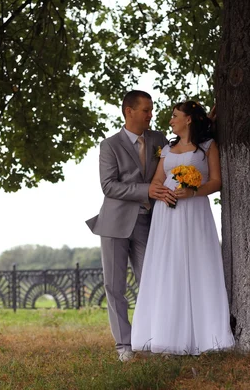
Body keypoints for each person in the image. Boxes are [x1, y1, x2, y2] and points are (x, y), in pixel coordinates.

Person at [131, 100, 234, 355]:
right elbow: (157, 180)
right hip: (167, 215)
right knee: (170, 267)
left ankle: (206, 335)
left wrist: (194, 191)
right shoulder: (166, 149)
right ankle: (167, 334)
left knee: (199, 265)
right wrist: (161, 194)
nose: (170, 120)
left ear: (188, 119)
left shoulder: (207, 147)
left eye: (175, 116)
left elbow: (216, 181)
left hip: (195, 211)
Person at [86, 90, 170, 362]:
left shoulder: (159, 140)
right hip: (114, 224)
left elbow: (182, 152)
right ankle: (124, 345)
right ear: (128, 111)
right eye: (146, 109)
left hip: (149, 223)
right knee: (115, 287)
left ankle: (154, 339)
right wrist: (148, 189)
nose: (150, 114)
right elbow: (108, 186)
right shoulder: (109, 145)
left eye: (151, 109)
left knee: (152, 282)